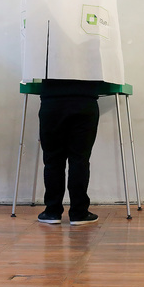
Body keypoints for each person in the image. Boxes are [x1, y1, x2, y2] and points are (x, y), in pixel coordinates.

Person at [36, 79, 100, 226]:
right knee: (80, 159)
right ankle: (79, 212)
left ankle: (52, 212)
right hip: (84, 99)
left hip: (52, 100)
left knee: (52, 160)